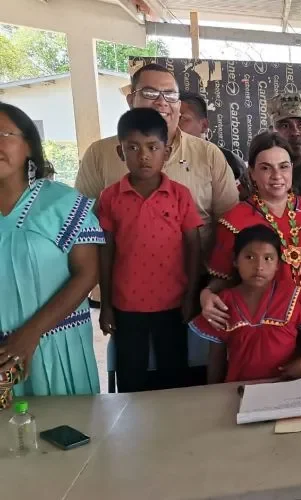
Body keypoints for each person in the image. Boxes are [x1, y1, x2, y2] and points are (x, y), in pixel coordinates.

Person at [201, 131, 301, 372]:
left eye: (283, 167)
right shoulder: (235, 220)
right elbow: (221, 279)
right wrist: (207, 294)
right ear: (251, 172)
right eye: (265, 168)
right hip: (262, 345)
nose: (276, 176)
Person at [75, 63, 238, 256]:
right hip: (125, 279)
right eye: (150, 93)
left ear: (178, 105)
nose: (162, 102)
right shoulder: (99, 154)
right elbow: (83, 225)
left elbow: (229, 224)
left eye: (170, 95)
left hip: (197, 280)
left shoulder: (208, 154)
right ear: (131, 100)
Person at [0, 102, 103, 396]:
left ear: (29, 146)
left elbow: (87, 274)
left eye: (3, 134)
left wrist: (29, 334)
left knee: (64, 430)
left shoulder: (63, 203)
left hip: (54, 345)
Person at [97, 109, 203, 392]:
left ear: (166, 152)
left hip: (173, 304)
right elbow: (105, 251)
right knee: (130, 377)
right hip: (126, 307)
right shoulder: (110, 197)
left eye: (152, 147)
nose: (143, 156)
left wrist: (191, 295)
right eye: (133, 148)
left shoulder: (180, 195)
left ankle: (174, 432)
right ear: (121, 153)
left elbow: (194, 246)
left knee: (174, 375)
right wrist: (105, 304)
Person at [190, 225, 301, 383]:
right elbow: (216, 355)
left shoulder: (291, 296)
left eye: (268, 258)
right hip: (239, 388)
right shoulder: (223, 302)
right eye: (250, 257)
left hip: (285, 385)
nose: (259, 266)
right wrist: (213, 391)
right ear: (235, 260)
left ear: (278, 264)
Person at [179, 90, 251, 200]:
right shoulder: (162, 160)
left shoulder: (230, 162)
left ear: (204, 125)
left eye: (181, 119)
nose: (174, 125)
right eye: (169, 118)